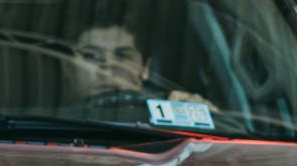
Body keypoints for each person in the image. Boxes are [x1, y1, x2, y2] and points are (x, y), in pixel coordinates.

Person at [68, 23, 211, 111]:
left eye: (122, 56)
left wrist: (201, 116)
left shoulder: (171, 129)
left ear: (145, 68)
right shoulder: (49, 129)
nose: (107, 71)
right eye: (91, 56)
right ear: (67, 68)